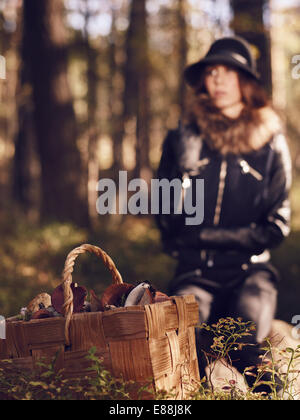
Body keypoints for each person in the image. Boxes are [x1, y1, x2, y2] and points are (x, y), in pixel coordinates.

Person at [155, 36, 292, 393]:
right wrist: (183, 174)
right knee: (183, 352)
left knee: (244, 346)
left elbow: (277, 224)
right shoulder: (183, 137)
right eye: (211, 72)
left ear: (246, 83)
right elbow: (167, 219)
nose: (217, 80)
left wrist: (210, 237)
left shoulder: (270, 142)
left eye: (228, 73)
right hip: (195, 273)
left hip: (252, 272)